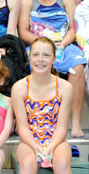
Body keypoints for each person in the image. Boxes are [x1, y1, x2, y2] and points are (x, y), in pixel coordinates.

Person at [19, 0, 86, 138]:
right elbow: (23, 31)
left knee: (77, 65)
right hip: (37, 45)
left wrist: (62, 45)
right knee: (37, 62)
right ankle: (38, 121)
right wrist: (42, 43)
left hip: (62, 45)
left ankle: (75, 123)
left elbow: (72, 29)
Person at [11, 37, 73, 173]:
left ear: (54, 58)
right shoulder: (19, 88)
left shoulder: (65, 87)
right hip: (29, 141)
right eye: (36, 55)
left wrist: (50, 147)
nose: (40, 60)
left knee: (62, 164)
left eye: (46, 55)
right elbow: (22, 128)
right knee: (27, 164)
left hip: (57, 140)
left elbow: (62, 127)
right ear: (29, 57)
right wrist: (37, 147)